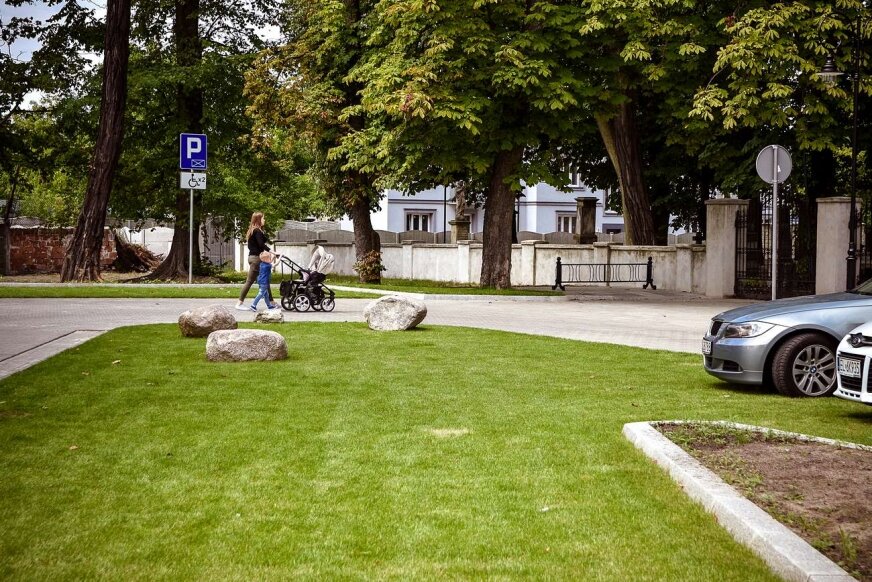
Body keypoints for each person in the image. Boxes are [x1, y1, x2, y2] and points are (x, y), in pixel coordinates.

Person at [236, 212, 278, 310]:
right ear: (259, 219)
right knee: (251, 281)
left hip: (253, 258)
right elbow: (261, 245)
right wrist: (273, 252)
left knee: (264, 281)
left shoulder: (254, 230)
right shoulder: (257, 231)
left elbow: (262, 241)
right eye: (263, 218)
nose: (264, 220)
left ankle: (271, 302)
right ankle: (239, 303)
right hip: (256, 259)